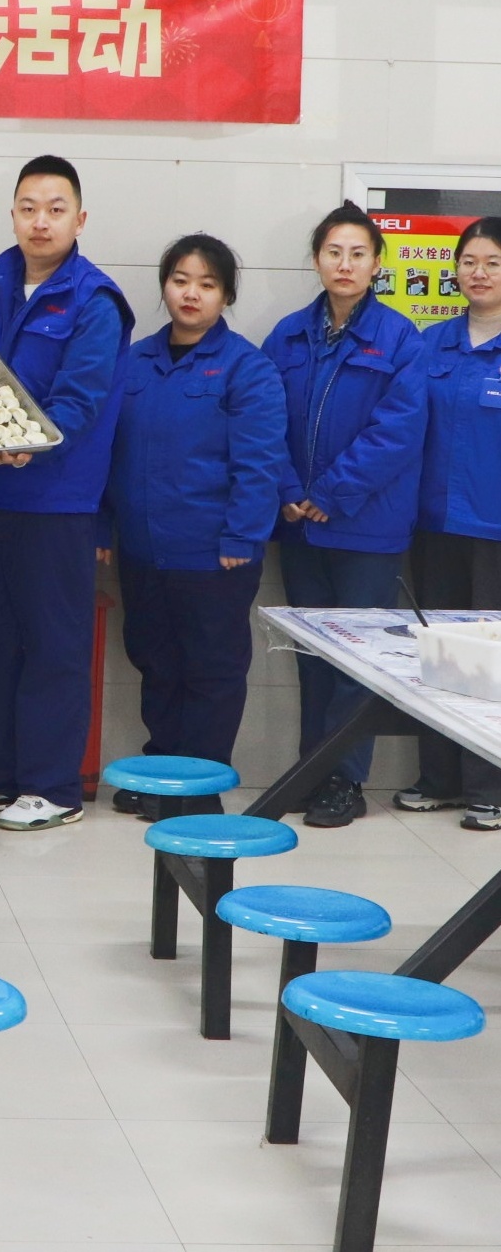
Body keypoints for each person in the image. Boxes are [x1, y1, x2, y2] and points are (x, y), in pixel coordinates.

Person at [0, 155, 134, 831]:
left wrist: (32, 441)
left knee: (53, 646)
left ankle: (52, 788)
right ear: (13, 215)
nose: (40, 221)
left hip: (55, 499)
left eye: (55, 209)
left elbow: (80, 398)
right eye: (28, 208)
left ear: (79, 219)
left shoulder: (95, 300)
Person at [98, 235, 287, 815]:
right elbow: (102, 453)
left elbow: (260, 463)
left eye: (207, 284)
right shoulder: (134, 361)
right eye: (181, 280)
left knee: (211, 672)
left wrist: (241, 537)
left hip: (213, 554)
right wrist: (103, 529)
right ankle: (161, 773)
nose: (191, 294)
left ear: (226, 295)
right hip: (143, 549)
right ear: (165, 286)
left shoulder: (247, 368)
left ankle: (199, 787)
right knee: (156, 664)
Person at [266, 202, 427, 828]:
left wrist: (330, 494)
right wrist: (289, 488)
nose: (345, 264)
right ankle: (313, 771)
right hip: (300, 526)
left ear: (376, 264)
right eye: (334, 252)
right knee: (313, 656)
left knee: (358, 661)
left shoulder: (401, 339)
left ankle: (344, 781)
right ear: (317, 260)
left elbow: (397, 432)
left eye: (358, 254)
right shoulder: (287, 335)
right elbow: (263, 419)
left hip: (366, 527)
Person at [396, 218, 501, 829]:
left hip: (494, 531)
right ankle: (439, 778)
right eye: (469, 262)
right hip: (434, 525)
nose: (478, 273)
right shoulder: (430, 343)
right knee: (438, 654)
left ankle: (490, 785)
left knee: (491, 662)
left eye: (493, 262)